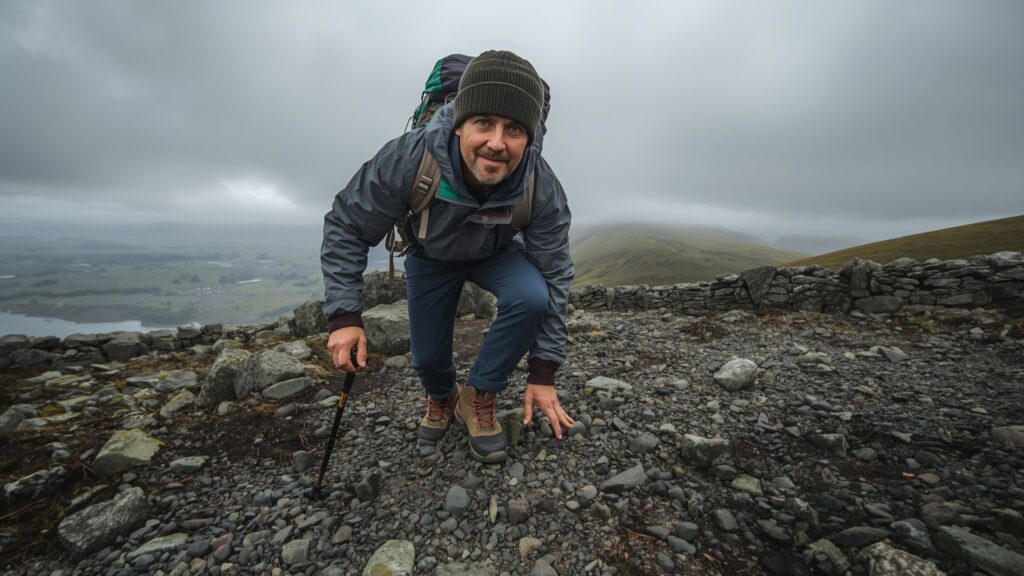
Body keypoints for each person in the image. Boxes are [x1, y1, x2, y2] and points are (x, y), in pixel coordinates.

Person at [321, 50, 574, 463]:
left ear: (530, 137)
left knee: (532, 297)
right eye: (483, 123)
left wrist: (543, 372)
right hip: (431, 253)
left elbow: (555, 272)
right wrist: (345, 316)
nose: (496, 142)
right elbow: (348, 223)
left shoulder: (539, 185)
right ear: (459, 125)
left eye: (513, 128)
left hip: (494, 252)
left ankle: (479, 394)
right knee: (427, 358)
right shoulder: (409, 158)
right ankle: (442, 396)